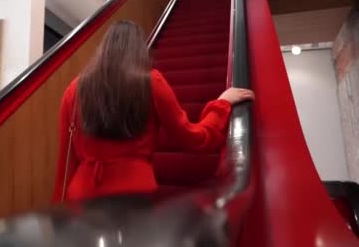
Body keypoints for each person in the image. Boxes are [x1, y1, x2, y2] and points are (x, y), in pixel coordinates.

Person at [52, 21, 255, 202]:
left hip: (82, 193)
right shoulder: (151, 82)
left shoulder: (75, 89)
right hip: (133, 193)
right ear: (140, 50)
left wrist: (58, 213)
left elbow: (66, 162)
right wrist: (220, 105)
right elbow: (192, 138)